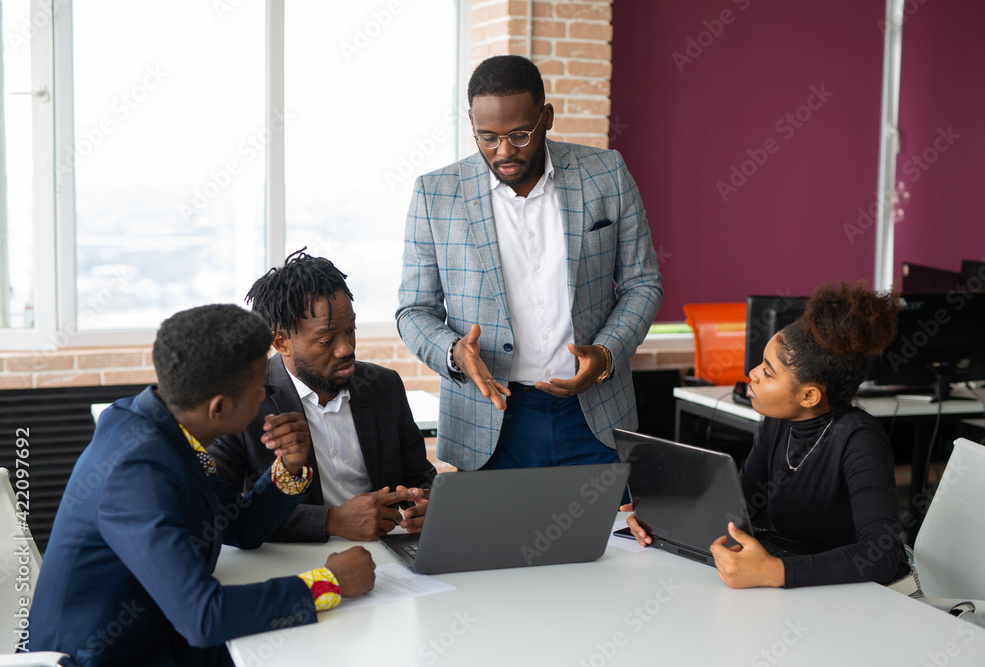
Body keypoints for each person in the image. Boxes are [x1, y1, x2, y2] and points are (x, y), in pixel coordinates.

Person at [26, 305, 376, 666]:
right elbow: (203, 617)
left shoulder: (157, 424)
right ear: (219, 407)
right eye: (259, 388)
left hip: (161, 630)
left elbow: (241, 526)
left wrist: (289, 466)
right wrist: (328, 582)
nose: (263, 397)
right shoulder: (136, 471)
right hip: (107, 657)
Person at [396, 54, 663, 471]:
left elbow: (642, 284)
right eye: (488, 137)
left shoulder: (606, 174)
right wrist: (453, 352)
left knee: (608, 518)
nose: (504, 151)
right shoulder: (436, 194)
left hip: (594, 415)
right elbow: (414, 310)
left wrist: (606, 354)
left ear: (546, 117)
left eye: (520, 135)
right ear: (471, 123)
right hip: (489, 420)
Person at [626, 282, 911, 588]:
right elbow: (738, 510)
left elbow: (881, 554)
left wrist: (775, 571)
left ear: (809, 396)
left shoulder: (859, 439)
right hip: (805, 584)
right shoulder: (778, 423)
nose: (752, 374)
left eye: (768, 371)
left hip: (866, 594)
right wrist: (658, 520)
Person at [211, 250, 436, 542]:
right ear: (281, 342)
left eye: (350, 330)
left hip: (387, 548)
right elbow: (223, 514)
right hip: (292, 557)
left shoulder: (383, 385)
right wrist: (331, 521)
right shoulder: (242, 401)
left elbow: (420, 476)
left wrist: (426, 504)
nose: (346, 349)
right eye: (327, 340)